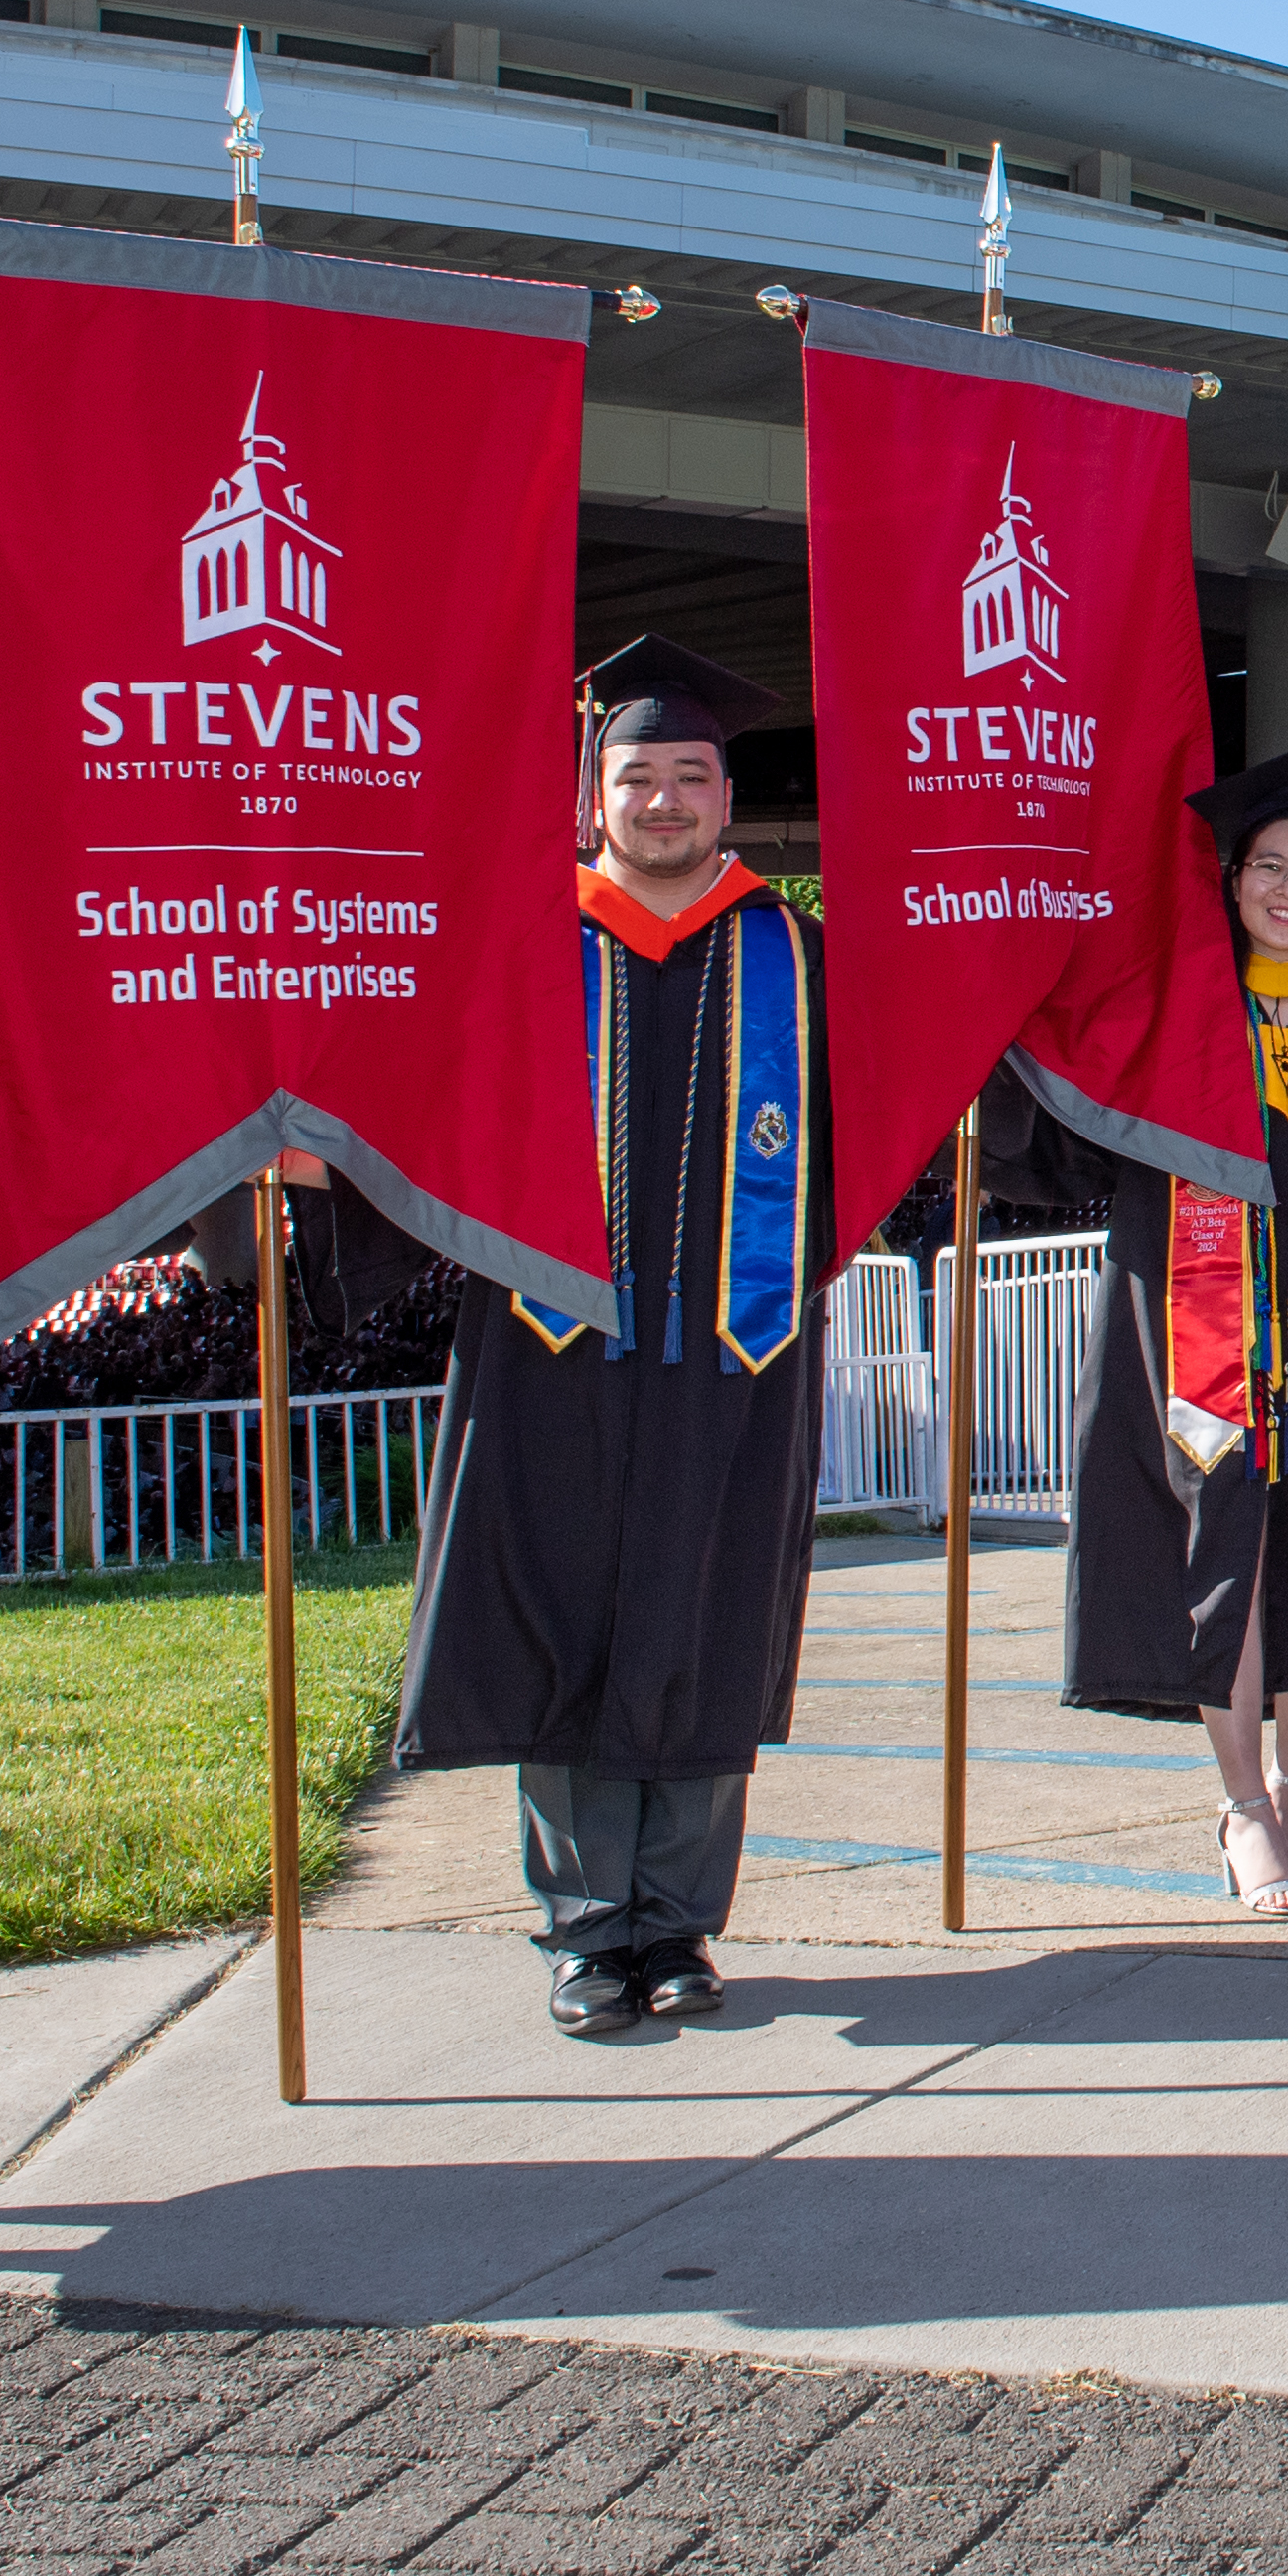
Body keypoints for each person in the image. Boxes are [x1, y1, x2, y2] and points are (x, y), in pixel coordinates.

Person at [367, 639, 849, 2039]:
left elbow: (877, 1118)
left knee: (708, 1611)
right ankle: (588, 1929)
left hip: (733, 1354)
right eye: (636, 776)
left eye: (691, 776)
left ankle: (681, 1925)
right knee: (567, 1617)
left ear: (726, 796)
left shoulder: (799, 956)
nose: (664, 800)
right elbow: (418, 1098)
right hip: (549, 1350)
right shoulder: (517, 946)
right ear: (593, 799)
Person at [1058, 746, 1288, 1911]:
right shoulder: (1174, 1019)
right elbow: (1082, 1135)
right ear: (1231, 881)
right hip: (1192, 1336)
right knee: (1229, 1563)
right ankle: (1242, 1806)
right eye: (1269, 865)